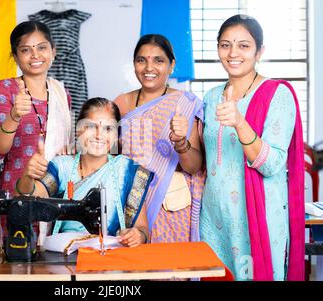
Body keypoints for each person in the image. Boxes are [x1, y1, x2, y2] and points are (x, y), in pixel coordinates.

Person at [199, 14, 304, 281]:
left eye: (243, 45)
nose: (233, 53)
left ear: (260, 51)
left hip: (257, 220)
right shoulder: (210, 97)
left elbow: (271, 165)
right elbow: (205, 162)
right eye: (225, 44)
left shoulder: (277, 95)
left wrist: (239, 121)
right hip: (214, 221)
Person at [16, 98, 153, 247]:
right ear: (78, 130)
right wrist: (28, 176)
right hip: (64, 258)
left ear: (116, 136)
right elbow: (26, 198)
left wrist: (138, 235)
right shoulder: (62, 167)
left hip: (111, 259)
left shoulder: (126, 170)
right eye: (91, 127)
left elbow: (143, 228)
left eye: (108, 129)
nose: (99, 135)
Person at [114, 34, 205, 244]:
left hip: (171, 206)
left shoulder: (184, 103)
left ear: (171, 65)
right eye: (141, 60)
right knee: (134, 272)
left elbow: (194, 167)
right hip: (131, 203)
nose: (149, 67)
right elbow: (104, 154)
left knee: (171, 271)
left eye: (159, 60)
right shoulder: (121, 103)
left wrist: (181, 142)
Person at [0, 21, 72, 240]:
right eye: (26, 50)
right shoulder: (6, 89)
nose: (35, 55)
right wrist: (15, 116)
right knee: (18, 261)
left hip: (55, 191)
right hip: (17, 191)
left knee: (53, 264)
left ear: (53, 51)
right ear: (15, 56)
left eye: (42, 47)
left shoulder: (62, 94)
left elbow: (66, 147)